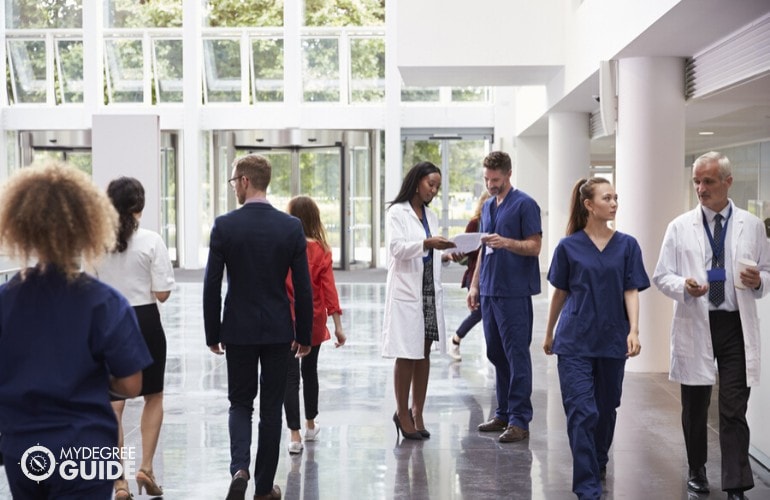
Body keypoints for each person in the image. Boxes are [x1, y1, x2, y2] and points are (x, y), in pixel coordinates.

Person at [0, 162, 151, 499]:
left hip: (22, 445)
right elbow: (131, 383)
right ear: (88, 225)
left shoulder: (5, 300)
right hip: (84, 447)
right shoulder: (104, 303)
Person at [653, 151, 770, 500]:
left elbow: (767, 271)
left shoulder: (751, 225)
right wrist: (683, 286)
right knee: (695, 405)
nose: (701, 189)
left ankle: (735, 483)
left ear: (728, 182)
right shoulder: (679, 226)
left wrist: (758, 281)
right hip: (697, 321)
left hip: (735, 325)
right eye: (697, 182)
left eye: (709, 181)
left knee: (734, 407)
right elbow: (661, 276)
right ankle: (696, 470)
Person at [203, 153, 313, 500]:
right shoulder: (290, 227)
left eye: (235, 181)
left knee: (239, 403)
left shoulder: (225, 226)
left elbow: (211, 284)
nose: (234, 187)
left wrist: (213, 332)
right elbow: (303, 285)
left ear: (246, 181)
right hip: (279, 330)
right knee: (270, 410)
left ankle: (240, 468)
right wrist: (304, 334)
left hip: (238, 328)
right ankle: (264, 489)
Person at [543, 178, 649, 499]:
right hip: (574, 340)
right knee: (581, 411)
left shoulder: (627, 245)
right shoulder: (568, 246)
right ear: (589, 205)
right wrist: (549, 332)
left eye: (616, 197)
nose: (614, 203)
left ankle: (598, 460)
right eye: (607, 198)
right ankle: (588, 489)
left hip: (612, 339)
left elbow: (630, 289)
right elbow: (560, 293)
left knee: (605, 409)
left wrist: (634, 330)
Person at [91, 177, 175, 499]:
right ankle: (147, 468)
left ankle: (119, 481)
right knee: (153, 396)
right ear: (140, 205)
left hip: (109, 322)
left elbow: (89, 289)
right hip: (145, 321)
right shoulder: (152, 240)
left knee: (113, 405)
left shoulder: (96, 241)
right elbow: (163, 293)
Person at [468, 150, 542, 443]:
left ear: (509, 174)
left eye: (495, 179)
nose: (490, 185)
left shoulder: (526, 204)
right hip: (489, 290)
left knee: (517, 356)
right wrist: (475, 285)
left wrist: (508, 243)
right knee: (496, 354)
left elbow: (535, 246)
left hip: (514, 292)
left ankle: (519, 419)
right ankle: (502, 413)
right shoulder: (488, 207)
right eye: (487, 179)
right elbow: (484, 250)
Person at [382, 161, 455, 440]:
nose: (434, 191)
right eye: (430, 185)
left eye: (437, 186)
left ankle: (417, 411)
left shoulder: (431, 215)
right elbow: (397, 248)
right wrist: (427, 244)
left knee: (424, 352)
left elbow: (429, 251)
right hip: (406, 290)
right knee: (406, 352)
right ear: (416, 182)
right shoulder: (397, 213)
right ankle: (401, 412)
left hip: (427, 288)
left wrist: (445, 253)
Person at [283, 195, 346, 455]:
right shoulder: (321, 250)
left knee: (290, 376)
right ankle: (310, 425)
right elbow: (329, 290)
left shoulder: (284, 246)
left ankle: (294, 435)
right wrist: (338, 325)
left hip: (287, 318)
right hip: (315, 319)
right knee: (310, 371)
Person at [448, 191, 490, 361]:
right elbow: (462, 248)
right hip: (474, 274)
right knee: (478, 312)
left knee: (486, 314)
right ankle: (456, 339)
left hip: (491, 276)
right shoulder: (475, 223)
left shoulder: (497, 222)